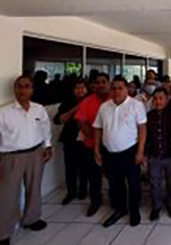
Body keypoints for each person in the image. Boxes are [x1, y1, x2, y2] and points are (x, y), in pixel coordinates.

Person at [0, 76, 52, 245]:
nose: (23, 90)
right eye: (19, 87)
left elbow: (45, 129)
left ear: (32, 90)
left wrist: (48, 146)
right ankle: (3, 232)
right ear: (15, 89)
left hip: (36, 153)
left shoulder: (39, 109)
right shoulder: (4, 112)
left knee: (34, 188)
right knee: (7, 196)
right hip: (11, 156)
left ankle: (31, 219)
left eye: (27, 86)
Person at [93, 77, 147, 227]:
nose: (116, 91)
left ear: (127, 89)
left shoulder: (136, 105)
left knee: (134, 184)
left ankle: (134, 210)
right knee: (115, 184)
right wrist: (97, 150)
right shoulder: (104, 107)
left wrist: (140, 151)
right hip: (110, 152)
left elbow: (142, 129)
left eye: (120, 88)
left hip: (130, 151)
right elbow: (98, 128)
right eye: (114, 88)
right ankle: (120, 209)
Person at [75, 72, 111, 217]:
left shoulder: (115, 100)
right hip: (91, 144)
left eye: (103, 82)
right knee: (94, 175)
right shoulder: (87, 101)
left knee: (113, 174)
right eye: (97, 82)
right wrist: (94, 137)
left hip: (111, 145)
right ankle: (95, 201)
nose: (100, 85)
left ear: (109, 83)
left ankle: (116, 200)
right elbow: (81, 121)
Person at [53, 79, 88, 205]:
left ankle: (83, 190)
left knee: (84, 167)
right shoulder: (67, 103)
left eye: (82, 87)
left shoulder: (90, 101)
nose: (80, 90)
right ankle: (71, 192)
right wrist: (76, 108)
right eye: (77, 88)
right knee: (70, 167)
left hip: (86, 139)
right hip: (70, 139)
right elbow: (58, 120)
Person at [146, 88, 171, 221]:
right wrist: (145, 153)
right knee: (155, 182)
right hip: (154, 156)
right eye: (155, 99)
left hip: (170, 155)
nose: (158, 101)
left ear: (167, 99)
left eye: (161, 98)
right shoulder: (148, 116)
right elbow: (145, 136)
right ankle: (156, 206)